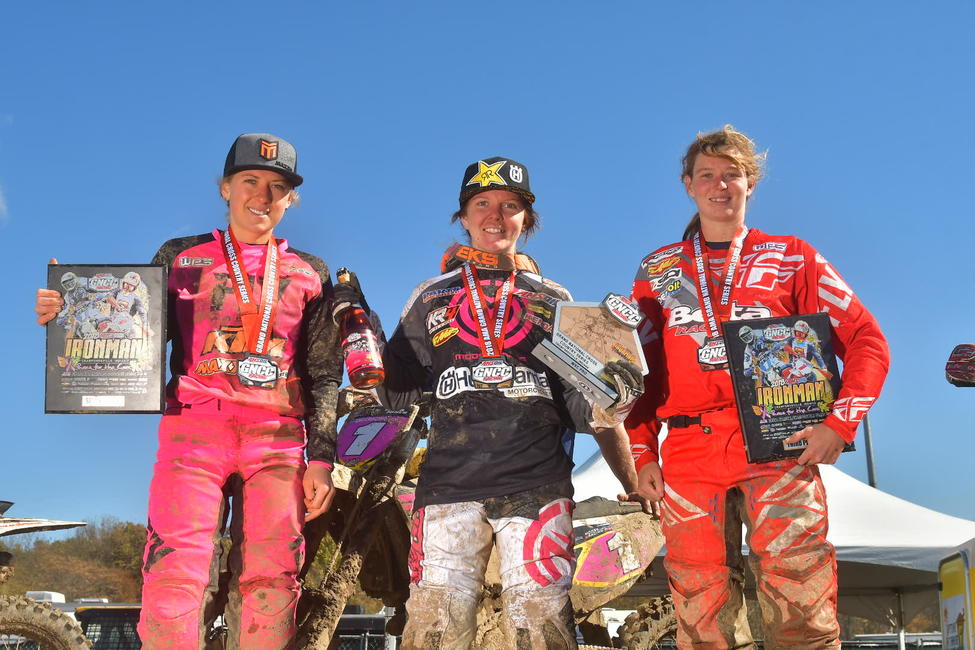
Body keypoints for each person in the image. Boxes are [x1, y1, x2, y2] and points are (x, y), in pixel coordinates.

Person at [35, 133, 343, 649]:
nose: (262, 197)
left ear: (291, 199)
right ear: (225, 187)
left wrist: (323, 457)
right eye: (250, 181)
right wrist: (67, 315)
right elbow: (135, 337)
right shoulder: (180, 256)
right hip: (193, 433)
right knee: (174, 572)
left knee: (273, 577)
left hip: (279, 441)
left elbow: (325, 372)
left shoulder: (310, 272)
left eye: (277, 187)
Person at [347, 157, 656, 649]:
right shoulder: (430, 297)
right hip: (447, 488)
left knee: (543, 626)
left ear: (526, 221)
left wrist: (611, 399)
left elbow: (580, 404)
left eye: (510, 206)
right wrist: (364, 333)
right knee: (433, 629)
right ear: (464, 217)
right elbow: (397, 391)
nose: (496, 215)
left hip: (536, 488)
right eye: (482, 204)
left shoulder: (555, 298)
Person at [625, 126, 889, 649]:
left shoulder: (794, 256)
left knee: (800, 598)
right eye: (707, 176)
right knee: (701, 611)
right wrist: (640, 450)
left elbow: (867, 339)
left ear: (751, 183)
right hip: (688, 452)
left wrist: (840, 423)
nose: (719, 186)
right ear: (688, 185)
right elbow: (637, 370)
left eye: (732, 175)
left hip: (780, 446)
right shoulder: (658, 270)